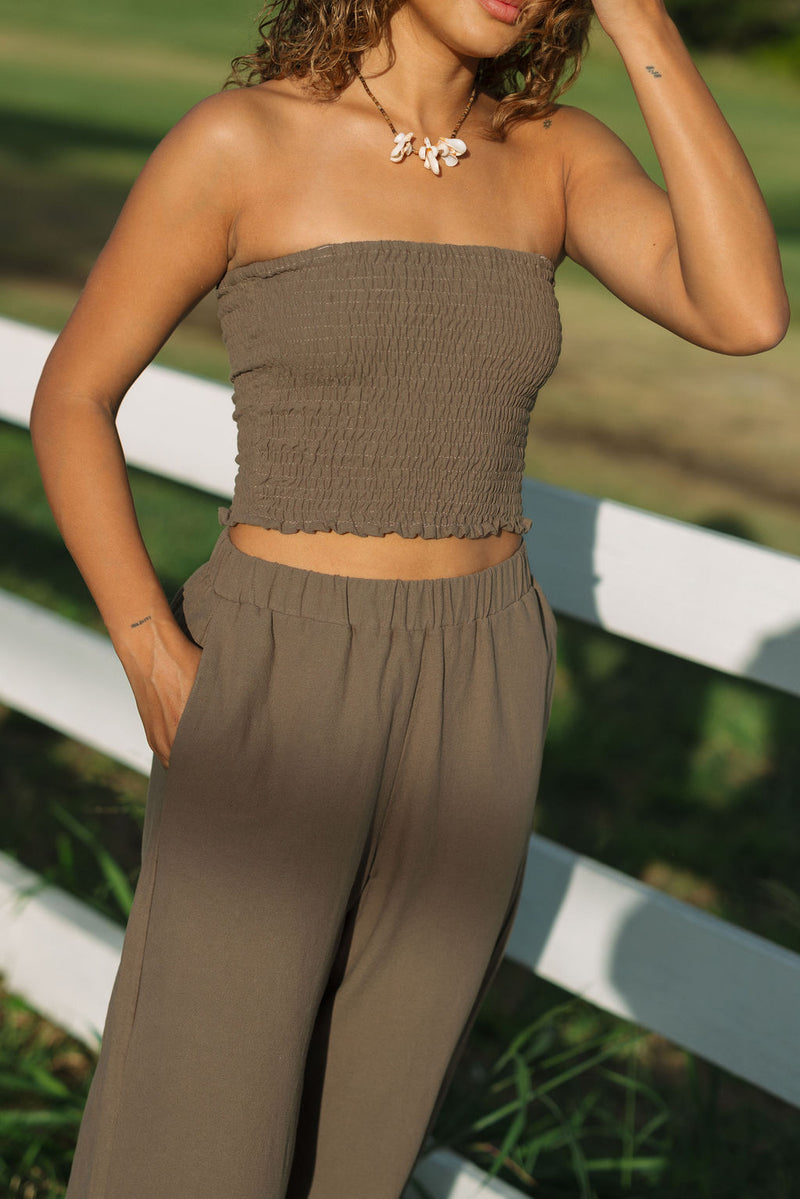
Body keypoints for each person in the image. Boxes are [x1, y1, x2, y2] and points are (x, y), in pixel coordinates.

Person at [31, 0, 788, 1195]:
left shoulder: (549, 156)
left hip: (480, 673)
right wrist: (148, 646)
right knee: (198, 1115)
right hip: (282, 666)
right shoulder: (244, 142)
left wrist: (643, 19)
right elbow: (72, 397)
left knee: (370, 1120)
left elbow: (742, 311)